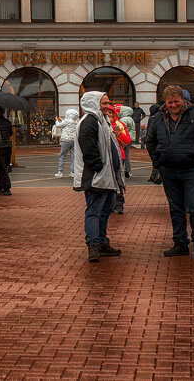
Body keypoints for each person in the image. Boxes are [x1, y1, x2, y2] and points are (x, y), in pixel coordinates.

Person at [146, 84, 194, 259]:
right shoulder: (157, 118)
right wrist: (158, 162)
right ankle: (180, 242)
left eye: (176, 101)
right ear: (165, 102)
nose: (173, 105)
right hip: (169, 170)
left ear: (183, 100)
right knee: (175, 208)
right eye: (169, 102)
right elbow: (151, 141)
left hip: (192, 169)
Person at [74, 90, 125, 263]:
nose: (107, 106)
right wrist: (100, 167)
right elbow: (89, 149)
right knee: (95, 211)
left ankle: (102, 242)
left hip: (108, 176)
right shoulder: (89, 122)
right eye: (104, 103)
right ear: (94, 103)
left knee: (106, 210)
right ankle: (94, 245)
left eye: (108, 103)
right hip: (97, 177)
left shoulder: (102, 120)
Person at [0, 105, 14, 195]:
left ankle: (6, 186)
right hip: (8, 146)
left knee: (1, 168)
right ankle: (0, 184)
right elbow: (10, 133)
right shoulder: (7, 122)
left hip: (0, 147)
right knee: (4, 166)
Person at [52, 109, 79, 177]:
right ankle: (73, 172)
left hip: (66, 140)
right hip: (73, 140)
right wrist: (61, 120)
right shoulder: (76, 122)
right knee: (73, 156)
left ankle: (60, 172)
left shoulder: (67, 121)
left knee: (62, 156)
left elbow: (59, 125)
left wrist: (57, 120)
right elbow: (65, 124)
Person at [118, 105, 135, 177]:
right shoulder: (130, 119)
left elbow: (121, 129)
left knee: (121, 154)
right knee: (126, 155)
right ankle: (128, 170)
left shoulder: (123, 120)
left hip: (124, 139)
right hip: (129, 139)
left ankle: (121, 170)